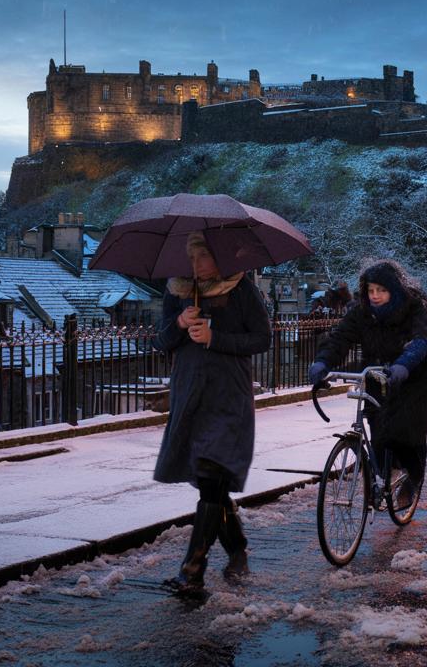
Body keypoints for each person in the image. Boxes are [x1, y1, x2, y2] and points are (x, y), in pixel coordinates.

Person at [153, 232, 271, 598]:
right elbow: (160, 342)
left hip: (228, 397)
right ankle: (237, 550)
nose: (196, 265)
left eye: (202, 256)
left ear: (219, 258)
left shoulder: (241, 290)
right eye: (192, 257)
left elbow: (262, 339)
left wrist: (215, 337)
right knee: (211, 484)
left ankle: (192, 572)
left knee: (212, 477)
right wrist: (179, 325)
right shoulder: (176, 292)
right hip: (191, 395)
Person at [308, 260, 427, 510]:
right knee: (378, 428)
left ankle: (412, 477)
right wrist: (323, 362)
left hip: (412, 375)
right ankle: (380, 476)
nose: (374, 296)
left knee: (406, 429)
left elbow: (421, 341)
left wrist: (403, 365)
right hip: (375, 372)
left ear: (395, 290)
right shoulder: (361, 312)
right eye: (371, 290)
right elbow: (340, 338)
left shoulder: (414, 307)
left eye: (381, 290)